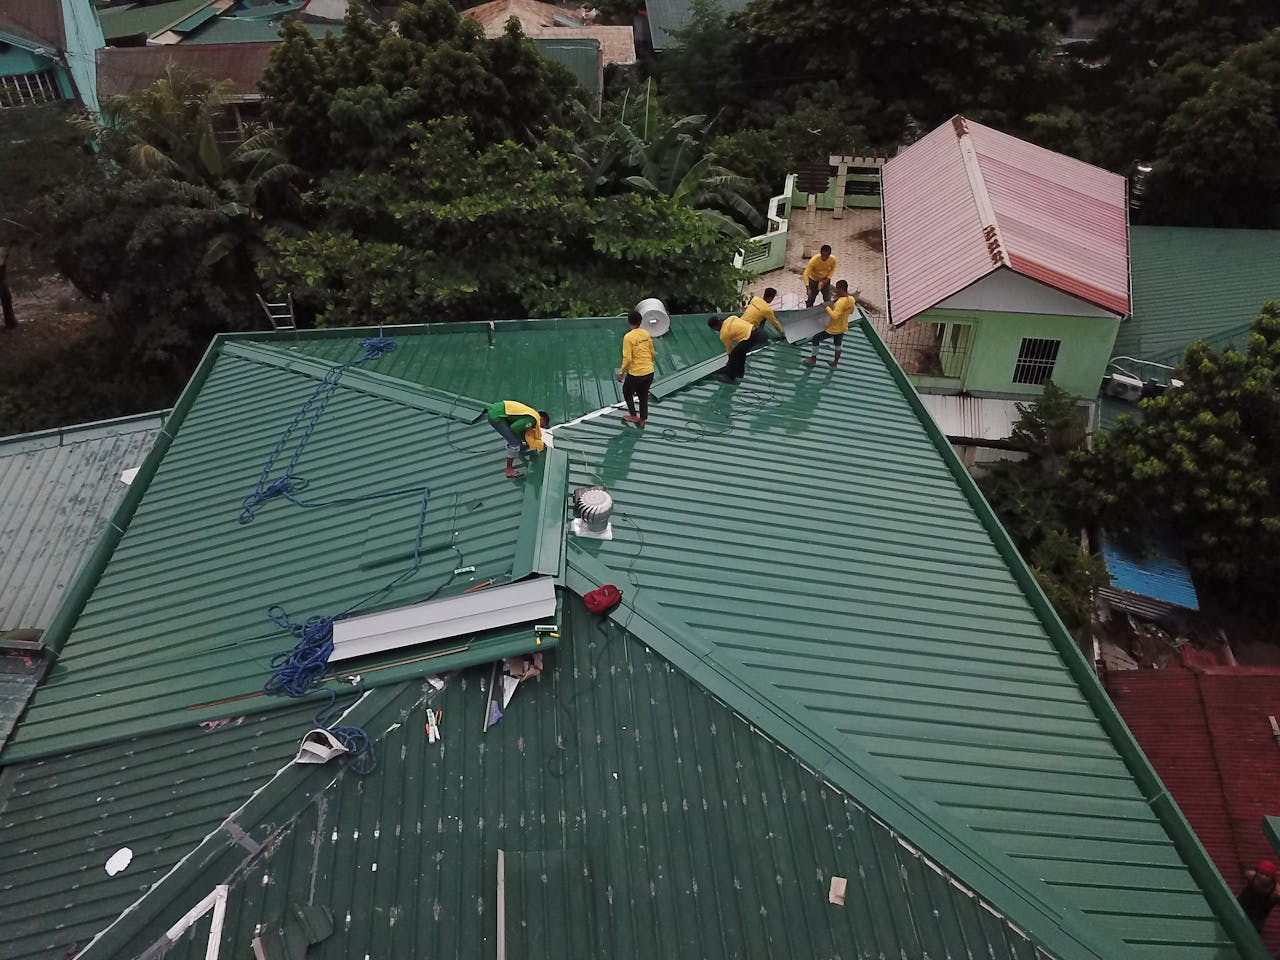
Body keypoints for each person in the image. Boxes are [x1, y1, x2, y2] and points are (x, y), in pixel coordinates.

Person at [485, 400, 549, 478]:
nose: (539, 428)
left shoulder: (532, 413)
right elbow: (514, 428)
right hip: (496, 415)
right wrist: (519, 442)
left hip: (498, 410)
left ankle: (517, 446)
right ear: (542, 419)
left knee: (516, 441)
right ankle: (509, 470)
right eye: (541, 426)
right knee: (514, 444)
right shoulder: (532, 419)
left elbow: (522, 430)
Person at [803, 280, 856, 368]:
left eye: (836, 288)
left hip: (834, 329)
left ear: (840, 288)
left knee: (816, 338)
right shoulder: (851, 299)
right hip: (842, 327)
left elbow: (835, 316)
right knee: (838, 345)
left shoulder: (840, 302)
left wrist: (826, 307)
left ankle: (813, 359)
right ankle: (835, 363)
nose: (835, 290)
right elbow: (851, 312)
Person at [617, 309, 655, 427]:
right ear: (641, 321)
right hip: (649, 372)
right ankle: (642, 419)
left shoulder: (628, 337)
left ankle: (633, 415)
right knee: (643, 395)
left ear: (628, 321)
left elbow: (627, 359)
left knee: (627, 392)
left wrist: (621, 373)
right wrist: (648, 364)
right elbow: (652, 352)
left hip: (636, 374)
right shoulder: (646, 334)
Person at [708, 315, 753, 382]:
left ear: (715, 327)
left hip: (750, 337)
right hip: (754, 331)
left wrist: (730, 362)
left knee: (734, 354)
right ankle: (739, 373)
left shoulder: (724, 333)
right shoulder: (731, 318)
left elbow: (729, 350)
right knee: (740, 353)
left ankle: (730, 377)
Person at [1238, 861, 1280, 931]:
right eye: (1261, 873)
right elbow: (1245, 872)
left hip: (1256, 917)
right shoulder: (1251, 876)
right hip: (1241, 905)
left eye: (1267, 875)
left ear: (1272, 878)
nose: (1263, 877)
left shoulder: (1275, 892)